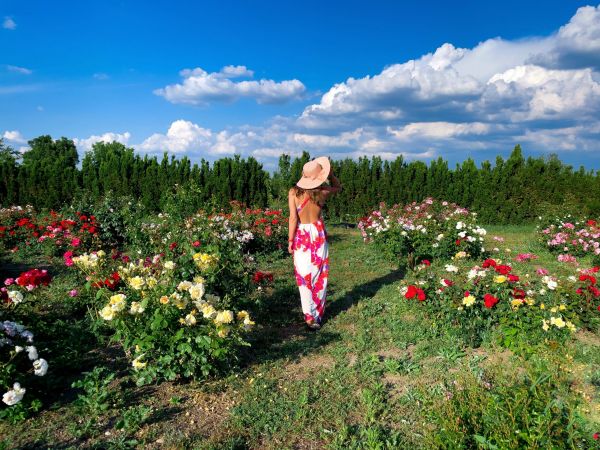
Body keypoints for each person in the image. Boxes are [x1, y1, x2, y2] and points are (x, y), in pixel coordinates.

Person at [288, 157, 342, 330]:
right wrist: (331, 174)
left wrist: (290, 240)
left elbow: (293, 218)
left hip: (301, 234)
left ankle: (308, 316)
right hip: (317, 233)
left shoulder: (293, 192)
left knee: (304, 276)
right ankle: (317, 317)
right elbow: (338, 188)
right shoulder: (322, 192)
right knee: (319, 275)